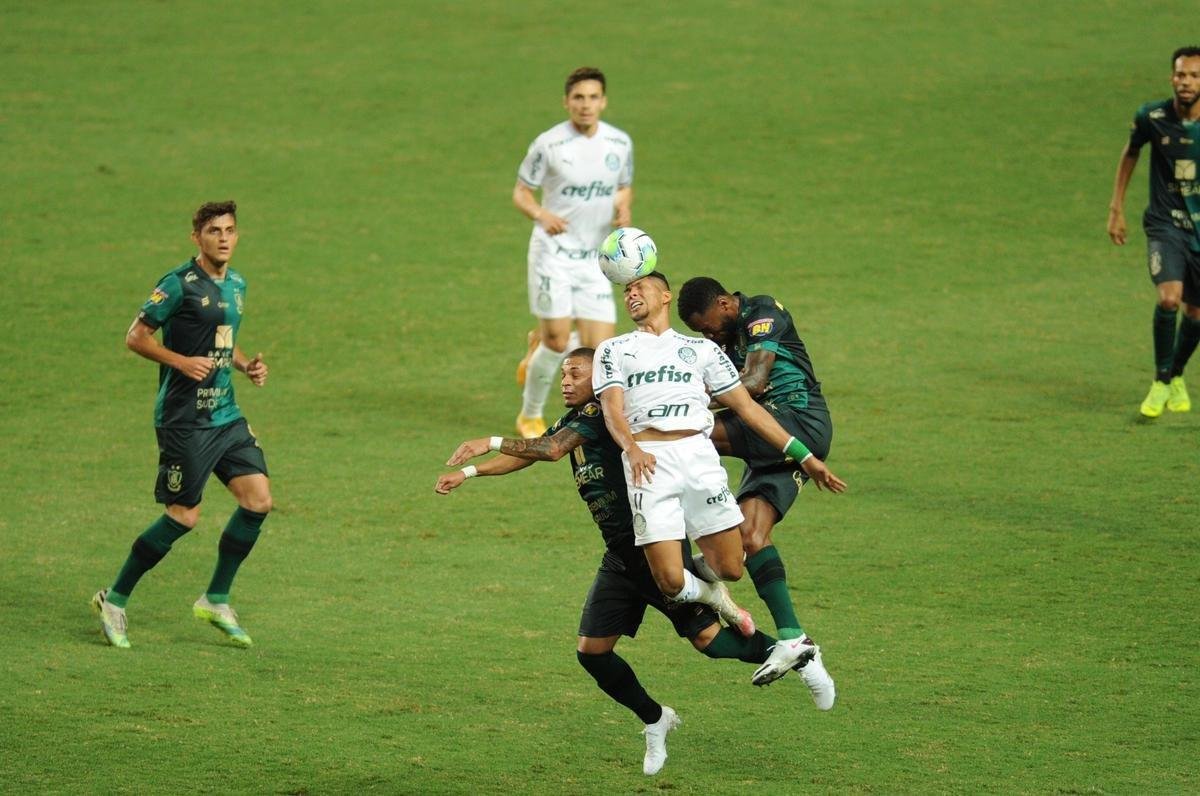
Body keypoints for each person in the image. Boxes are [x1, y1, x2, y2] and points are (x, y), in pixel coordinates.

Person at [437, 349, 790, 776]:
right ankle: (657, 718)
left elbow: (548, 451)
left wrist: (486, 441)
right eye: (563, 373)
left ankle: (788, 650)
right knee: (593, 651)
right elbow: (531, 450)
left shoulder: (601, 413)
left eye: (575, 373)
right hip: (620, 557)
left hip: (651, 548)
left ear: (599, 378)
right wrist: (471, 474)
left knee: (712, 643)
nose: (565, 380)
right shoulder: (576, 419)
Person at [593, 270, 846, 700]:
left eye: (640, 287)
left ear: (666, 295)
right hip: (694, 461)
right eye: (626, 290)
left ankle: (713, 586)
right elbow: (620, 408)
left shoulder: (727, 333)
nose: (631, 293)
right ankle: (787, 635)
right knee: (716, 559)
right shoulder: (618, 349)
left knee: (729, 556)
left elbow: (749, 397)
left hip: (763, 433)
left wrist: (805, 455)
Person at [91, 201, 273, 649]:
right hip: (184, 420)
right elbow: (136, 337)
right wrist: (179, 361)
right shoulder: (176, 285)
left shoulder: (237, 284)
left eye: (230, 230)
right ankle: (113, 600)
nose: (224, 238)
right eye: (214, 231)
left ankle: (216, 597)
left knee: (258, 500)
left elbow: (220, 341)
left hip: (225, 414)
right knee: (184, 516)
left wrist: (246, 365)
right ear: (197, 237)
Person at [678, 276, 837, 688]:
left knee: (683, 426)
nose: (709, 335)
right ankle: (794, 638)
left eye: (709, 326)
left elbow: (754, 382)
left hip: (797, 421)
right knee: (750, 537)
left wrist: (678, 399)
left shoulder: (761, 313)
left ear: (725, 304)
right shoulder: (722, 342)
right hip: (767, 441)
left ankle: (685, 545)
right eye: (701, 333)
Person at [512, 66, 634, 438]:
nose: (586, 105)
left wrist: (623, 210)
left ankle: (541, 343)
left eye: (593, 97)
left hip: (595, 258)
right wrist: (540, 213)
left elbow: (624, 187)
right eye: (578, 98)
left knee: (597, 349)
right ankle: (530, 415)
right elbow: (521, 191)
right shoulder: (549, 144)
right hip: (554, 254)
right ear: (567, 102)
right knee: (559, 342)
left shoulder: (619, 144)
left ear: (603, 101)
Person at [1108, 46, 1200, 418]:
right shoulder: (1152, 116)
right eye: (1180, 75)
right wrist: (1117, 207)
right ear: (1171, 78)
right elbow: (1131, 152)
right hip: (1165, 224)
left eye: (1194, 75)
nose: (1186, 82)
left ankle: (1176, 374)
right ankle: (1161, 380)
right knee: (1168, 297)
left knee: (1196, 313)